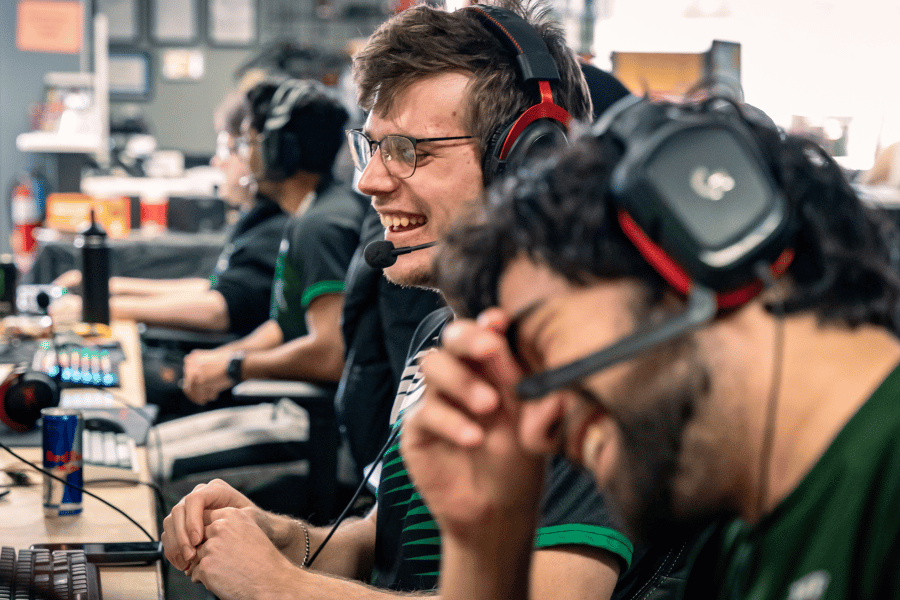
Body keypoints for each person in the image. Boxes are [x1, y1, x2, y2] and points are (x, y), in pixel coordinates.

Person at [160, 3, 645, 600]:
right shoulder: (441, 332)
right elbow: (387, 547)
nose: (369, 182)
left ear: (527, 164)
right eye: (373, 148)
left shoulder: (584, 368)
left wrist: (280, 588)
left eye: (410, 150)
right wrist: (285, 538)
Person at [401, 93, 900, 599]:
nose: (537, 428)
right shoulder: (735, 545)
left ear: (707, 245)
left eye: (542, 344)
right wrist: (486, 549)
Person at [178, 77, 366, 412]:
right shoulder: (309, 214)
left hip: (310, 420)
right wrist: (223, 357)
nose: (243, 156)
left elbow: (329, 354)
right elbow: (286, 326)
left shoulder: (321, 227)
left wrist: (236, 367)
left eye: (248, 143)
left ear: (278, 151)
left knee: (164, 454)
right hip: (292, 404)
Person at [51, 90, 288, 336]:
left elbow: (218, 308)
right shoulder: (257, 220)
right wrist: (109, 287)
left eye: (228, 149)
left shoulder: (276, 228)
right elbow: (212, 288)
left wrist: (95, 308)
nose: (217, 162)